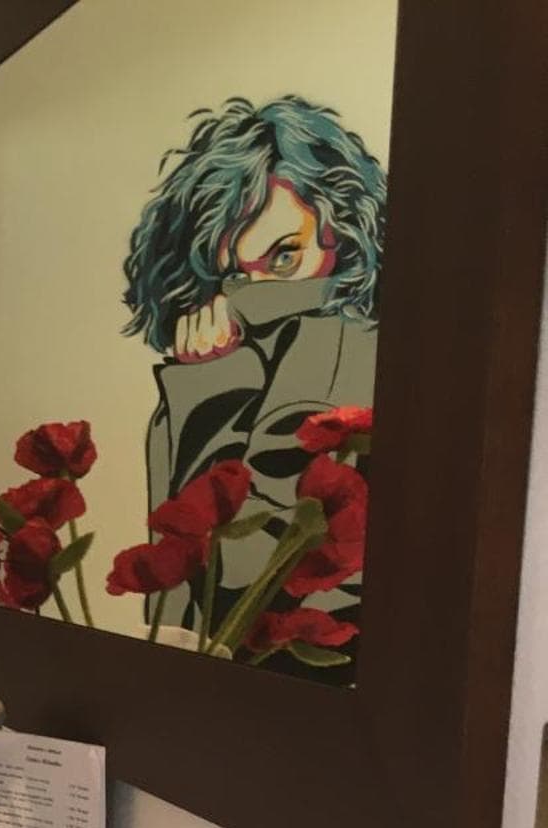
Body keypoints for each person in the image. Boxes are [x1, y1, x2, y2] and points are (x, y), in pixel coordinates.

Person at [122, 95, 385, 642]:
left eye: (285, 257)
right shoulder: (230, 357)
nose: (252, 295)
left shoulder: (337, 342)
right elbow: (172, 594)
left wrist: (210, 385)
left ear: (342, 235)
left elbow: (244, 567)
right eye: (233, 277)